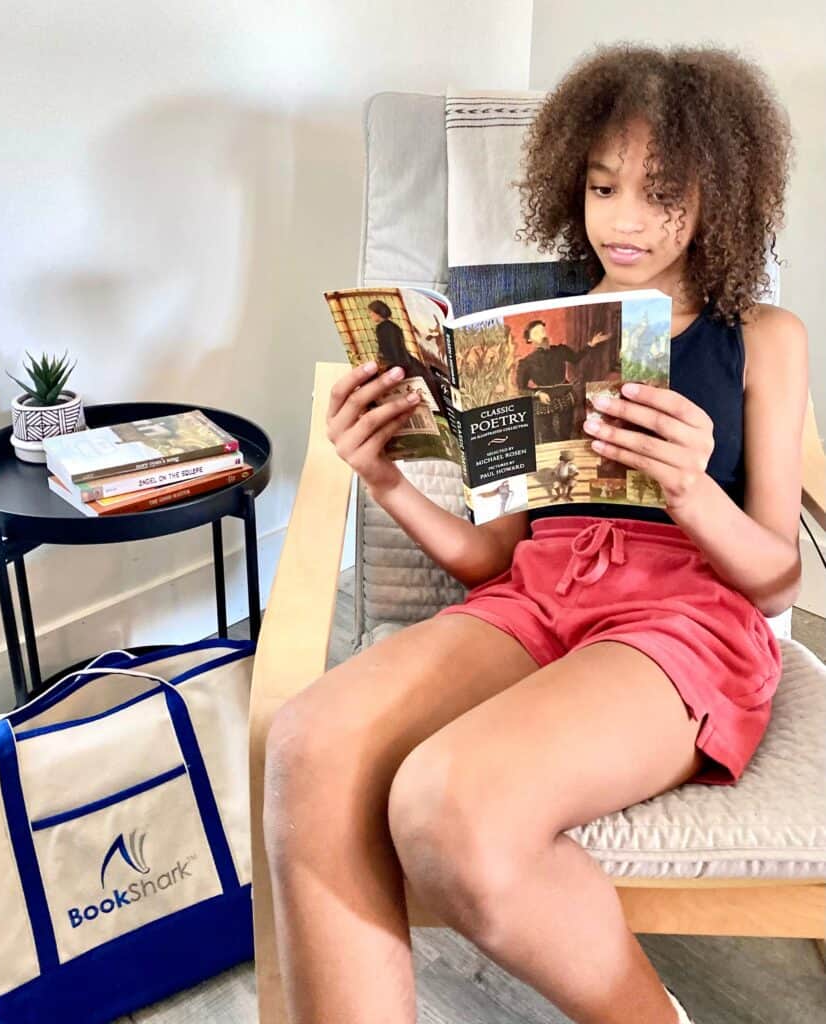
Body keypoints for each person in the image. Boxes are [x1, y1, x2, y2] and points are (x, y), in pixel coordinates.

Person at [264, 44, 805, 1024]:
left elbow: (772, 576)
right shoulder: (539, 332)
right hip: (537, 595)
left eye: (661, 193)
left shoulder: (760, 338)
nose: (626, 219)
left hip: (682, 620)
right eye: (602, 187)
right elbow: (487, 556)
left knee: (443, 805)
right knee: (307, 742)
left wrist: (689, 490)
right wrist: (381, 473)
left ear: (717, 196)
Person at [516, 318, 611, 442]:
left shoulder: (560, 350)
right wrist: (537, 394)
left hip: (565, 397)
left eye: (543, 331)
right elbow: (521, 388)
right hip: (544, 402)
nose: (542, 335)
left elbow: (576, 358)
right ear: (529, 340)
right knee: (547, 436)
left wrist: (591, 344)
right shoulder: (526, 363)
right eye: (536, 333)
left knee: (566, 433)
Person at [368, 299, 447, 413]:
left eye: (371, 312)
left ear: (378, 312)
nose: (370, 315)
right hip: (410, 363)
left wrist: (386, 366)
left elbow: (390, 351)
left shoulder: (382, 328)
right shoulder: (394, 326)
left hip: (399, 365)